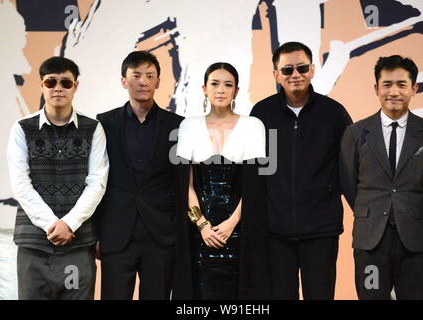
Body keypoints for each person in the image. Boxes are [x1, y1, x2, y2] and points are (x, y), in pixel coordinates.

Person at [250, 42, 352, 300]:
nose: (295, 74)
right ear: (276, 75)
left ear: (312, 70)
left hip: (321, 231)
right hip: (274, 233)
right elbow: (253, 172)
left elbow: (350, 167)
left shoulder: (334, 113)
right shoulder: (261, 114)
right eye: (287, 70)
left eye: (301, 67)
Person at [339, 55, 423, 300]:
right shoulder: (356, 133)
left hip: (415, 241)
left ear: (414, 88)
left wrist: (410, 207)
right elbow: (348, 182)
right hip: (370, 243)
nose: (394, 91)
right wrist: (373, 208)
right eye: (387, 84)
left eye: (401, 84)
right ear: (376, 88)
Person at [6, 56, 109, 300]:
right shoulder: (22, 128)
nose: (58, 88)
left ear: (76, 86)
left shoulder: (93, 128)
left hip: (78, 243)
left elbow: (97, 182)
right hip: (33, 244)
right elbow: (21, 184)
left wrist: (69, 224)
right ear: (41, 86)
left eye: (65, 82)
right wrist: (52, 225)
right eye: (51, 82)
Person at [95, 50, 191, 300]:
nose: (143, 81)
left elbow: (181, 183)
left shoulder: (178, 125)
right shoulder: (104, 123)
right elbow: (96, 181)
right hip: (116, 234)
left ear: (158, 82)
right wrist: (95, 234)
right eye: (136, 75)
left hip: (160, 234)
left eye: (150, 75)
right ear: (124, 81)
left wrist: (180, 233)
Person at [176, 62, 269, 299]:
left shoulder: (253, 126)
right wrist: (202, 225)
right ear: (204, 89)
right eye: (214, 84)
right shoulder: (188, 126)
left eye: (228, 85)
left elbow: (256, 186)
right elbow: (184, 186)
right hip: (199, 232)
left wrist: (231, 223)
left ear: (236, 91)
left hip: (241, 231)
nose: (220, 90)